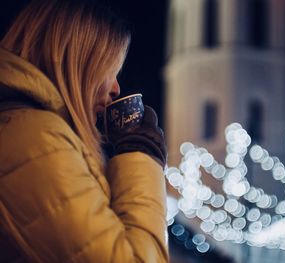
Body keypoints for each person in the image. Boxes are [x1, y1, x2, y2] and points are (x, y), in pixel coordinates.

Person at [0, 0, 168, 262]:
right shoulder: (38, 139)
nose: (115, 89)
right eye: (109, 70)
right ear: (74, 64)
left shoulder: (32, 131)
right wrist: (141, 156)